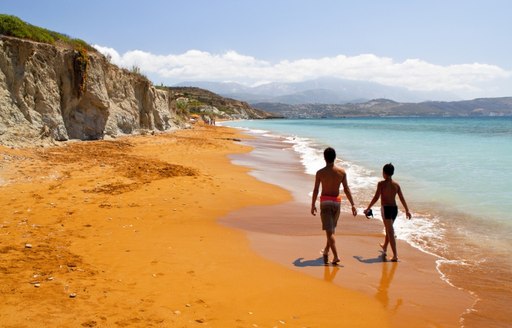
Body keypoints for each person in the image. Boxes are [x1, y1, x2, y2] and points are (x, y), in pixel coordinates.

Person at [311, 147, 357, 265]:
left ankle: (336, 256)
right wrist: (353, 204)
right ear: (335, 157)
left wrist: (312, 205)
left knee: (329, 232)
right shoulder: (341, 172)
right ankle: (326, 250)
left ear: (324, 158)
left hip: (325, 203)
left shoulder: (320, 173)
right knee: (331, 230)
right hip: (337, 203)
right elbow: (346, 189)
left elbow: (316, 190)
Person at [364, 163, 412, 262]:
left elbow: (376, 197)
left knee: (390, 231)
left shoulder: (381, 184)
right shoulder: (396, 185)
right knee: (388, 228)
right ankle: (385, 246)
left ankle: (395, 255)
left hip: (386, 209)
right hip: (394, 209)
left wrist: (368, 207)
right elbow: (402, 198)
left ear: (384, 173)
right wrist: (407, 210)